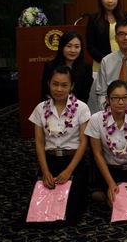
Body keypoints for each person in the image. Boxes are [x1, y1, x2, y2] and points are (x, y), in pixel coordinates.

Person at [28, 66, 91, 224]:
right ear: (49, 84)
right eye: (55, 84)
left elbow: (84, 142)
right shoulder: (40, 108)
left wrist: (69, 170)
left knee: (69, 211)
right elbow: (39, 142)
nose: (59, 89)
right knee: (39, 208)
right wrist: (45, 171)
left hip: (73, 162)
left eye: (64, 85)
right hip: (50, 161)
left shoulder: (82, 108)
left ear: (72, 86)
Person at [85, 80, 127, 206]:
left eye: (125, 98)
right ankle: (102, 192)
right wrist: (111, 183)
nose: (121, 102)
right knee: (116, 203)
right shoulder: (96, 119)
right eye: (115, 98)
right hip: (108, 171)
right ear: (108, 100)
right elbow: (97, 154)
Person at [40, 31, 93, 103]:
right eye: (69, 46)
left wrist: (75, 108)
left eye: (77, 47)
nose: (73, 50)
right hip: (52, 106)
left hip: (77, 107)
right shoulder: (50, 66)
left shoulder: (86, 68)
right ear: (62, 47)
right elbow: (45, 93)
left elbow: (85, 96)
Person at [87, 0, 127, 71]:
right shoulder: (94, 19)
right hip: (101, 63)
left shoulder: (125, 17)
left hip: (123, 61)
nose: (110, 0)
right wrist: (106, 60)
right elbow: (90, 46)